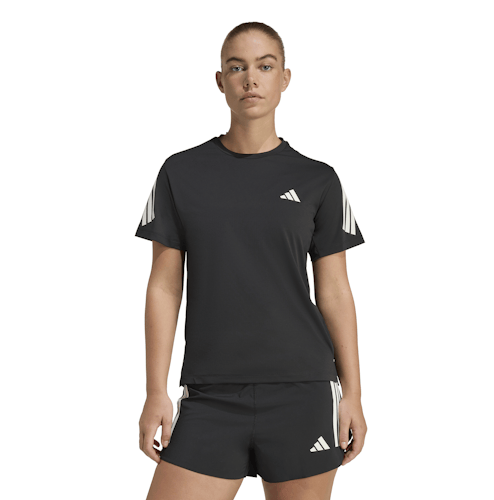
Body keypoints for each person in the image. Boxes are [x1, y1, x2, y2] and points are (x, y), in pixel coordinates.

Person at [136, 22, 367, 500]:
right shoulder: (180, 172)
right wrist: (155, 390)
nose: (250, 79)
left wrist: (353, 395)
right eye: (237, 67)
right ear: (220, 81)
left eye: (265, 66)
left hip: (303, 390)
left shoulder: (319, 180)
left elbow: (335, 291)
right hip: (211, 393)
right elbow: (164, 286)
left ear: (285, 78)